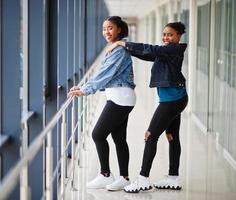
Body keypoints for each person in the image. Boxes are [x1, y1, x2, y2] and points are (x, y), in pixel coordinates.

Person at [107, 22, 188, 193]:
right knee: (172, 136)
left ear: (179, 36)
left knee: (150, 136)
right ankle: (173, 177)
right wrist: (128, 50)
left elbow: (152, 50)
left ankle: (143, 178)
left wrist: (123, 43)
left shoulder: (173, 49)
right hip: (176, 98)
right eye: (164, 34)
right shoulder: (167, 52)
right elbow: (148, 54)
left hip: (172, 101)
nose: (166, 37)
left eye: (170, 35)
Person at [68, 16, 136, 191]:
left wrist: (85, 90)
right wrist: (83, 86)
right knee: (119, 138)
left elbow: (105, 74)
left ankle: (105, 174)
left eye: (110, 28)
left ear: (119, 29)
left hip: (120, 98)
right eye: (104, 28)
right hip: (120, 97)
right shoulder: (115, 49)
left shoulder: (119, 51)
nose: (106, 32)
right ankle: (124, 178)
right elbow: (104, 75)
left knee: (98, 134)